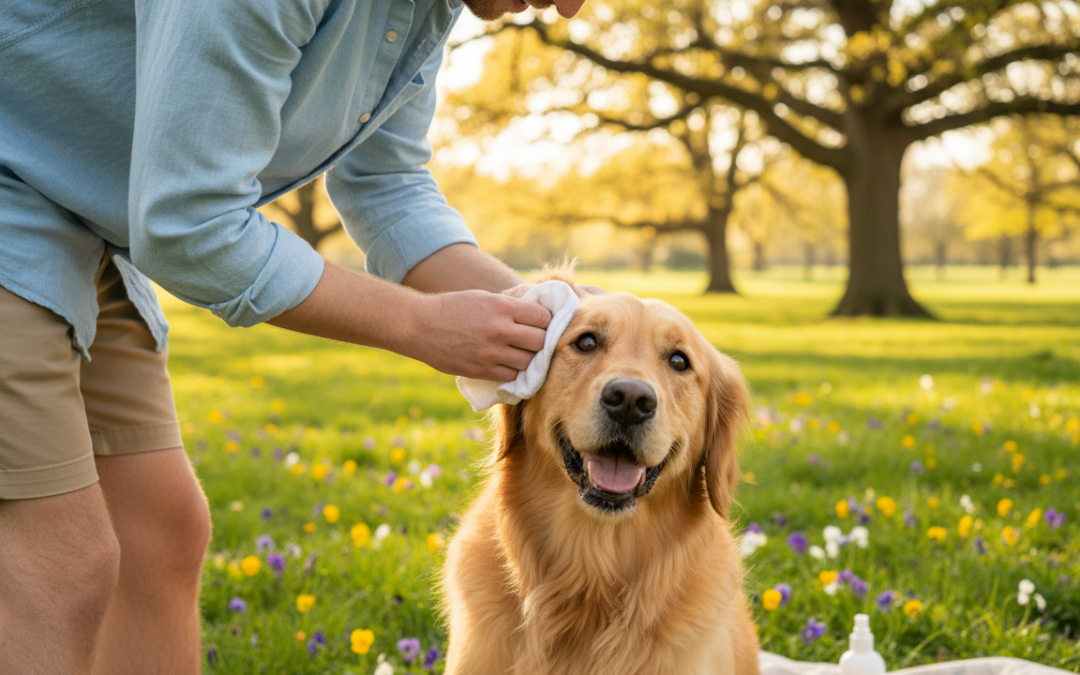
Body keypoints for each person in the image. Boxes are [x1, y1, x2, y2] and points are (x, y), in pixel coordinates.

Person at [0, 0, 589, 671]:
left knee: (160, 532)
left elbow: (388, 185)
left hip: (79, 211)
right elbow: (190, 229)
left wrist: (562, 318)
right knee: (60, 558)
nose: (568, 7)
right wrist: (419, 324)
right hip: (16, 181)